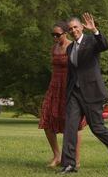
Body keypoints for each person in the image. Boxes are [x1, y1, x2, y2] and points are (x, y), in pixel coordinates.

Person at [58, 13, 108, 174]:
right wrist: (67, 92)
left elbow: (104, 45)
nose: (73, 30)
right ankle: (69, 164)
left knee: (97, 128)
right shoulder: (69, 48)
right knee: (70, 127)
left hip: (91, 92)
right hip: (74, 93)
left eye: (76, 27)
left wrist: (95, 30)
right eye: (70, 29)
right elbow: (72, 72)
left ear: (82, 27)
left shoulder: (92, 41)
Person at [38, 21, 87, 168]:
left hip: (69, 88)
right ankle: (57, 156)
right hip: (54, 87)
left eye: (57, 35)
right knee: (46, 120)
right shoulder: (54, 48)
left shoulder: (73, 47)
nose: (54, 37)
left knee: (73, 124)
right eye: (52, 35)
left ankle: (75, 160)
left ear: (65, 33)